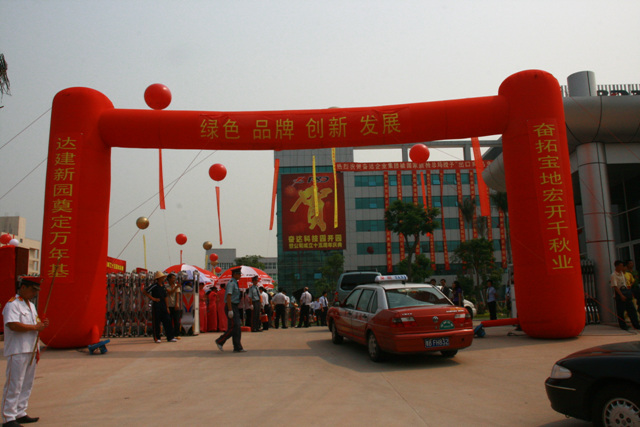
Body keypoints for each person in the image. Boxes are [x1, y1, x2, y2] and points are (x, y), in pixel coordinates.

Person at [2, 277, 49, 427]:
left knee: (26, 383)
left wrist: (42, 324)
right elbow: (12, 325)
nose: (34, 293)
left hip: (31, 349)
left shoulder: (31, 306)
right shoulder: (12, 305)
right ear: (23, 288)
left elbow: (35, 323)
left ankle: (20, 412)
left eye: (36, 291)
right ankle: (8, 417)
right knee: (14, 384)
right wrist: (35, 327)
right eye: (32, 290)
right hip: (18, 350)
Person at [215, 268, 245, 352]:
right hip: (231, 305)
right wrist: (230, 309)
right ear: (235, 274)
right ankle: (220, 341)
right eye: (239, 274)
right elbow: (228, 296)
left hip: (235, 306)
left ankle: (237, 347)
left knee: (237, 327)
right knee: (234, 326)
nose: (240, 276)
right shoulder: (231, 283)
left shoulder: (235, 283)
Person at [147, 271, 177, 343]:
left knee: (167, 321)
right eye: (162, 277)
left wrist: (167, 307)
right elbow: (145, 292)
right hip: (156, 305)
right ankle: (157, 337)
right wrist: (153, 298)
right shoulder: (154, 286)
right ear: (159, 278)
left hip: (163, 305)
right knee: (156, 322)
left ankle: (170, 337)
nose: (163, 278)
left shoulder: (163, 286)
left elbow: (165, 296)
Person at [611, 260, 640, 330]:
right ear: (617, 266)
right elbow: (615, 286)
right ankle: (623, 325)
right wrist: (621, 295)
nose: (622, 267)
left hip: (626, 291)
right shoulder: (614, 275)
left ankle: (636, 324)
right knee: (621, 311)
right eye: (621, 266)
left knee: (632, 310)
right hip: (620, 292)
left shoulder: (622, 274)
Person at [165, 273, 182, 338]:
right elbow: (169, 292)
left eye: (175, 278)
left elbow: (177, 295)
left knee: (176, 320)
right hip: (168, 305)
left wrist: (177, 304)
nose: (174, 279)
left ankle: (177, 334)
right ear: (169, 279)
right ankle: (169, 334)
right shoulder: (166, 286)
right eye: (173, 278)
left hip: (175, 305)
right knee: (168, 321)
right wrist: (176, 287)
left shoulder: (176, 286)